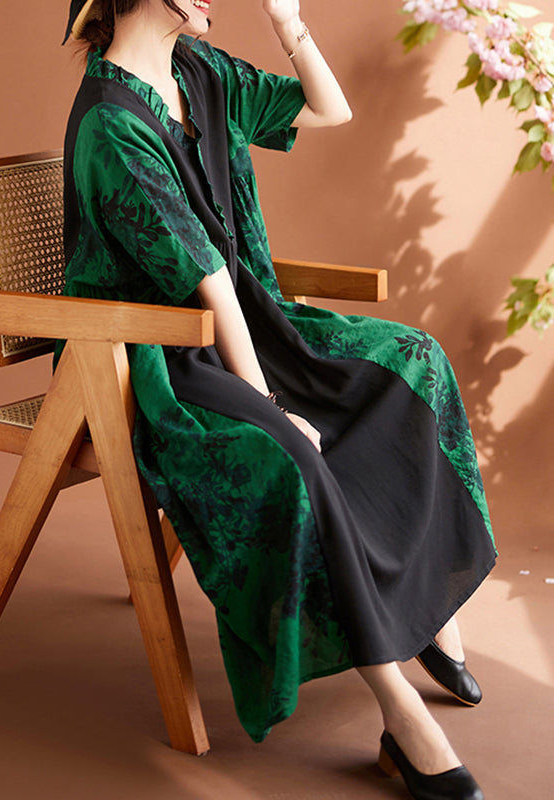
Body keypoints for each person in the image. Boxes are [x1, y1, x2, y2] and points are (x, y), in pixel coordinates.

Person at [61, 1, 497, 797]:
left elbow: (330, 110)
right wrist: (269, 402)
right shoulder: (109, 123)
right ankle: (400, 710)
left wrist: (287, 22)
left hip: (249, 323)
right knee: (289, 453)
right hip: (155, 359)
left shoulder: (201, 71)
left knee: (416, 363)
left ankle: (428, 608)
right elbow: (207, 282)